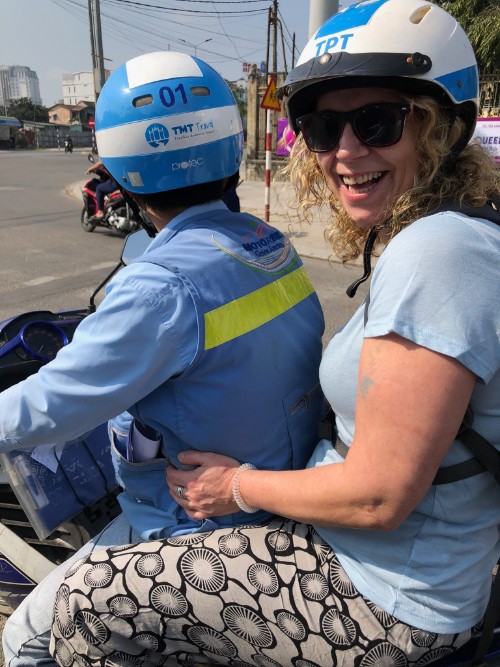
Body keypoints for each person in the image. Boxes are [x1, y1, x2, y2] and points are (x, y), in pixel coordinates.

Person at [48, 1, 499, 666]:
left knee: (86, 600)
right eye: (322, 127)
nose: (346, 150)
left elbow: (378, 494)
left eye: (376, 121)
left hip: (384, 600)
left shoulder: (438, 253)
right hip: (394, 565)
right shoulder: (446, 232)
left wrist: (235, 486)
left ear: (437, 125)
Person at [1, 51, 325, 665]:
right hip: (278, 492)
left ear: (121, 173)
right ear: (230, 148)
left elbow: (48, 408)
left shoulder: (160, 288)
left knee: (30, 638)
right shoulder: (268, 243)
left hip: (194, 526)